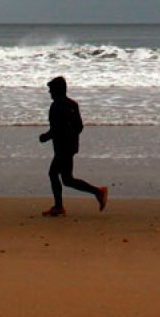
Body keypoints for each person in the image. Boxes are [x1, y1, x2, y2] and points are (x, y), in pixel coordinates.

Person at [38, 75, 108, 216]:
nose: (49, 93)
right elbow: (79, 127)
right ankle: (98, 191)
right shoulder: (73, 105)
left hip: (62, 148)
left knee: (53, 174)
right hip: (70, 147)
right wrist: (70, 138)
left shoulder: (56, 106)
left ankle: (59, 206)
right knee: (68, 180)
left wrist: (45, 137)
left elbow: (56, 129)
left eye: (51, 90)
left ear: (58, 91)